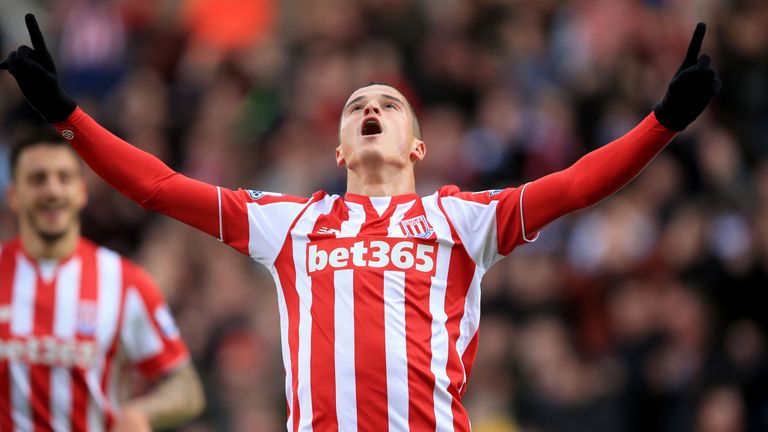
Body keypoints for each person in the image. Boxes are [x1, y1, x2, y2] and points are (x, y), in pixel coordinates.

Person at [1, 13, 720, 432]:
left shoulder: (461, 219)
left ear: (416, 145)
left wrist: (663, 123)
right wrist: (67, 117)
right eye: (355, 105)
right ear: (339, 147)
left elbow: (575, 186)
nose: (369, 106)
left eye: (386, 101)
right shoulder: (289, 223)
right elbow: (158, 187)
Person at [1, 130, 205, 431]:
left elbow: (186, 388)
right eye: (37, 179)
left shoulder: (123, 281)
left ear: (82, 191)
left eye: (64, 177)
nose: (52, 191)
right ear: (14, 196)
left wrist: (142, 413)